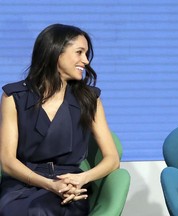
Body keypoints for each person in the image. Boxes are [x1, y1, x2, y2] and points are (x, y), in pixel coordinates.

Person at [0, 24, 120, 215]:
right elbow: (7, 161)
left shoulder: (89, 99)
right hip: (22, 184)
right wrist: (49, 184)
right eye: (79, 52)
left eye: (86, 53)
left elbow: (112, 159)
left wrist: (81, 179)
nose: (86, 61)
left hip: (69, 186)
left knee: (42, 210)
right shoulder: (14, 96)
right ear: (55, 52)